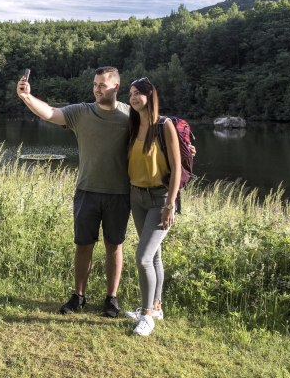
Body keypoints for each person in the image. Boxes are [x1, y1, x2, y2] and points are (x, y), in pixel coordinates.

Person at [17, 66, 130, 317]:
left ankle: (111, 299)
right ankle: (78, 296)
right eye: (94, 84)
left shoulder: (130, 115)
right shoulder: (81, 112)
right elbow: (50, 113)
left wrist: (186, 147)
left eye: (102, 85)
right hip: (86, 191)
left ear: (116, 87)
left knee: (115, 246)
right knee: (83, 245)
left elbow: (156, 133)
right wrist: (26, 97)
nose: (97, 89)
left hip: (120, 194)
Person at [125, 77, 181, 336]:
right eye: (131, 94)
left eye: (138, 93)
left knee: (143, 257)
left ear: (150, 95)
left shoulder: (164, 125)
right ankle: (156, 306)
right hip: (137, 197)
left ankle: (146, 316)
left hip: (160, 199)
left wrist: (171, 204)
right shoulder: (134, 124)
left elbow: (177, 167)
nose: (133, 97)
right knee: (154, 255)